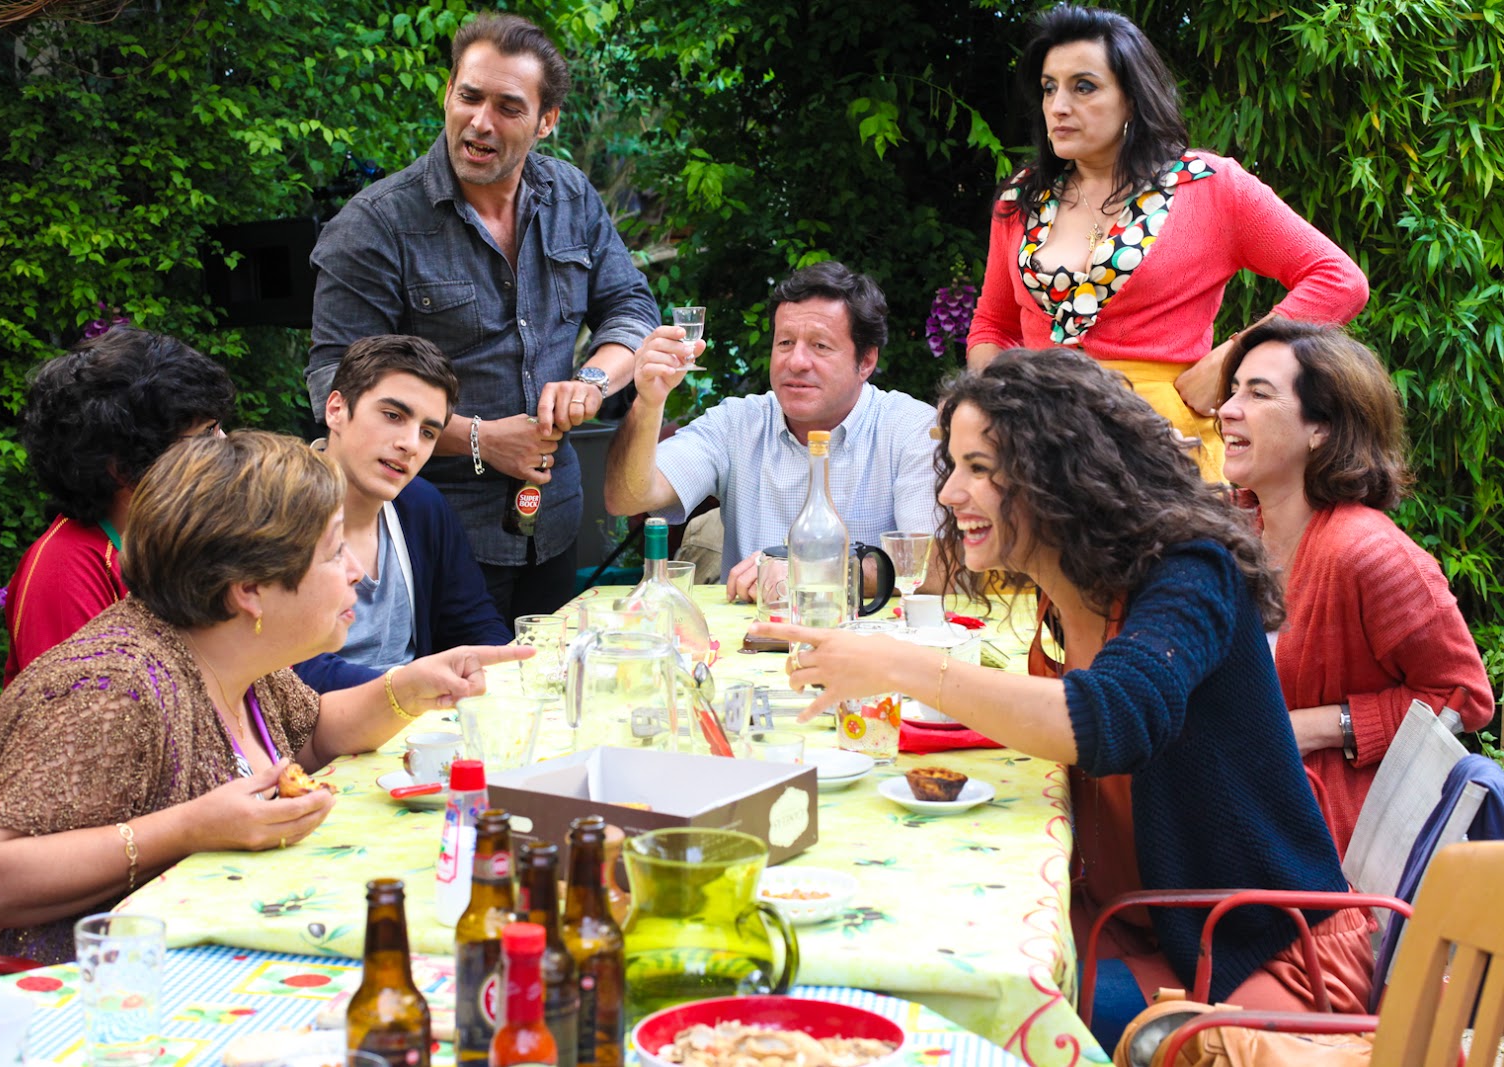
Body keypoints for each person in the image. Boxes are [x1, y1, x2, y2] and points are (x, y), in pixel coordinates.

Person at [753, 349, 1371, 1024]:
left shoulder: (1192, 570)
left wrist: (896, 664)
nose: (950, 493)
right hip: (1136, 928)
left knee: (934, 1011)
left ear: (1062, 473)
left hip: (1254, 961)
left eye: (979, 469)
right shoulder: (1071, 588)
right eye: (954, 466)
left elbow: (1112, 719)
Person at [0, 432, 528, 990]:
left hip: (162, 975)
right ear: (249, 590)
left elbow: (314, 736)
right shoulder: (111, 688)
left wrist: (410, 688)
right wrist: (191, 827)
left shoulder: (229, 654)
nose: (359, 573)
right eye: (336, 553)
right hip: (34, 1008)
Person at [308, 12, 660, 618]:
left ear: (546, 121)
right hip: (432, 533)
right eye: (469, 97)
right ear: (448, 93)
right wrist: (481, 441)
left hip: (553, 519)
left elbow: (631, 307)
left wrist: (592, 382)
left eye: (508, 106)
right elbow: (333, 390)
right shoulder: (373, 227)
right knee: (456, 704)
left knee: (546, 695)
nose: (480, 122)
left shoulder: (571, 195)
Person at [964, 5, 1367, 481]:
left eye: (1084, 87)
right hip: (1039, 448)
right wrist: (991, 409)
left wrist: (1235, 357)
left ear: (1132, 98)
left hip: (1162, 453)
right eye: (1049, 88)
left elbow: (1338, 280)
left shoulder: (1210, 186)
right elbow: (993, 323)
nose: (1058, 106)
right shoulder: (1021, 197)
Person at [1218, 319, 1493, 854]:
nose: (1227, 409)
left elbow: (1464, 696)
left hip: (1326, 857)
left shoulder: (1369, 554)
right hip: (1246, 816)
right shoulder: (1240, 530)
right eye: (1232, 391)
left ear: (1321, 427)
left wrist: (1310, 728)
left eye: (1258, 393)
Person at [604, 261, 940, 598]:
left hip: (867, 640)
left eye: (820, 346)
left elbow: (935, 568)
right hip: (746, 642)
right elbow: (627, 497)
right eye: (785, 343)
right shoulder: (738, 423)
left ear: (866, 361)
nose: (796, 361)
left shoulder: (910, 429)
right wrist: (648, 402)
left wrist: (817, 573)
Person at [2, 327, 234, 683]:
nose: (225, 445)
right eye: (205, 434)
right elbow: (78, 723)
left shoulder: (181, 537)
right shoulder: (63, 571)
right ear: (122, 465)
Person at [294, 334, 511, 694]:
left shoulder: (422, 506)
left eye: (427, 432)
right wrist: (414, 685)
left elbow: (475, 622)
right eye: (393, 416)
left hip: (419, 721)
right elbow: (286, 666)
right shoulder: (278, 509)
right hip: (308, 731)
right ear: (335, 410)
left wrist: (501, 667)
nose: (410, 444)